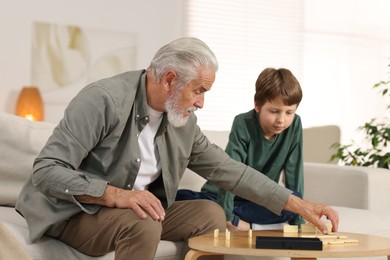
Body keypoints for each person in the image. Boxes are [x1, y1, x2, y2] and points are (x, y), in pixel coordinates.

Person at [16, 37, 338, 260]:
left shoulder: (182, 122)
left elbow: (230, 171)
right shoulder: (104, 101)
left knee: (211, 213)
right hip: (75, 213)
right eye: (198, 90)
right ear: (170, 79)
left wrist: (299, 205)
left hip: (135, 212)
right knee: (142, 220)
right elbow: (47, 171)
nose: (201, 102)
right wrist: (119, 195)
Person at [177, 67, 305, 231]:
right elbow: (230, 174)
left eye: (289, 112)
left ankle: (246, 224)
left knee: (295, 200)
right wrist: (228, 217)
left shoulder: (295, 125)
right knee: (181, 197)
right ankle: (236, 219)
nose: (281, 120)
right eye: (274, 111)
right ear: (257, 105)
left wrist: (299, 220)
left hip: (258, 199)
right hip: (220, 195)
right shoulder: (242, 123)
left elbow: (294, 175)